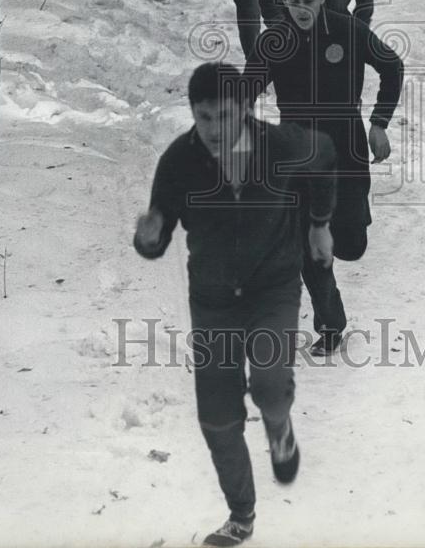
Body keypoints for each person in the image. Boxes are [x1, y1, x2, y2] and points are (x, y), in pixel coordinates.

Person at [134, 62, 336, 547]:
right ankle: (241, 516)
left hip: (274, 286)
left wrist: (319, 222)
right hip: (213, 298)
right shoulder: (179, 161)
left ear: (246, 109)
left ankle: (279, 426)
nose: (214, 129)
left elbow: (326, 155)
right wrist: (150, 235)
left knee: (268, 384)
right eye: (204, 117)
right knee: (218, 418)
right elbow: (158, 230)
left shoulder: (280, 147)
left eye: (224, 116)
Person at [246, 0, 403, 356]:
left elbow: (392, 66)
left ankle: (339, 234)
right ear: (283, 0)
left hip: (346, 147)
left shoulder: (348, 30)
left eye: (308, 1)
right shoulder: (273, 41)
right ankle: (331, 326)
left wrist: (379, 123)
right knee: (307, 244)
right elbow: (245, 90)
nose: (301, 9)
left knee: (350, 244)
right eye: (294, 1)